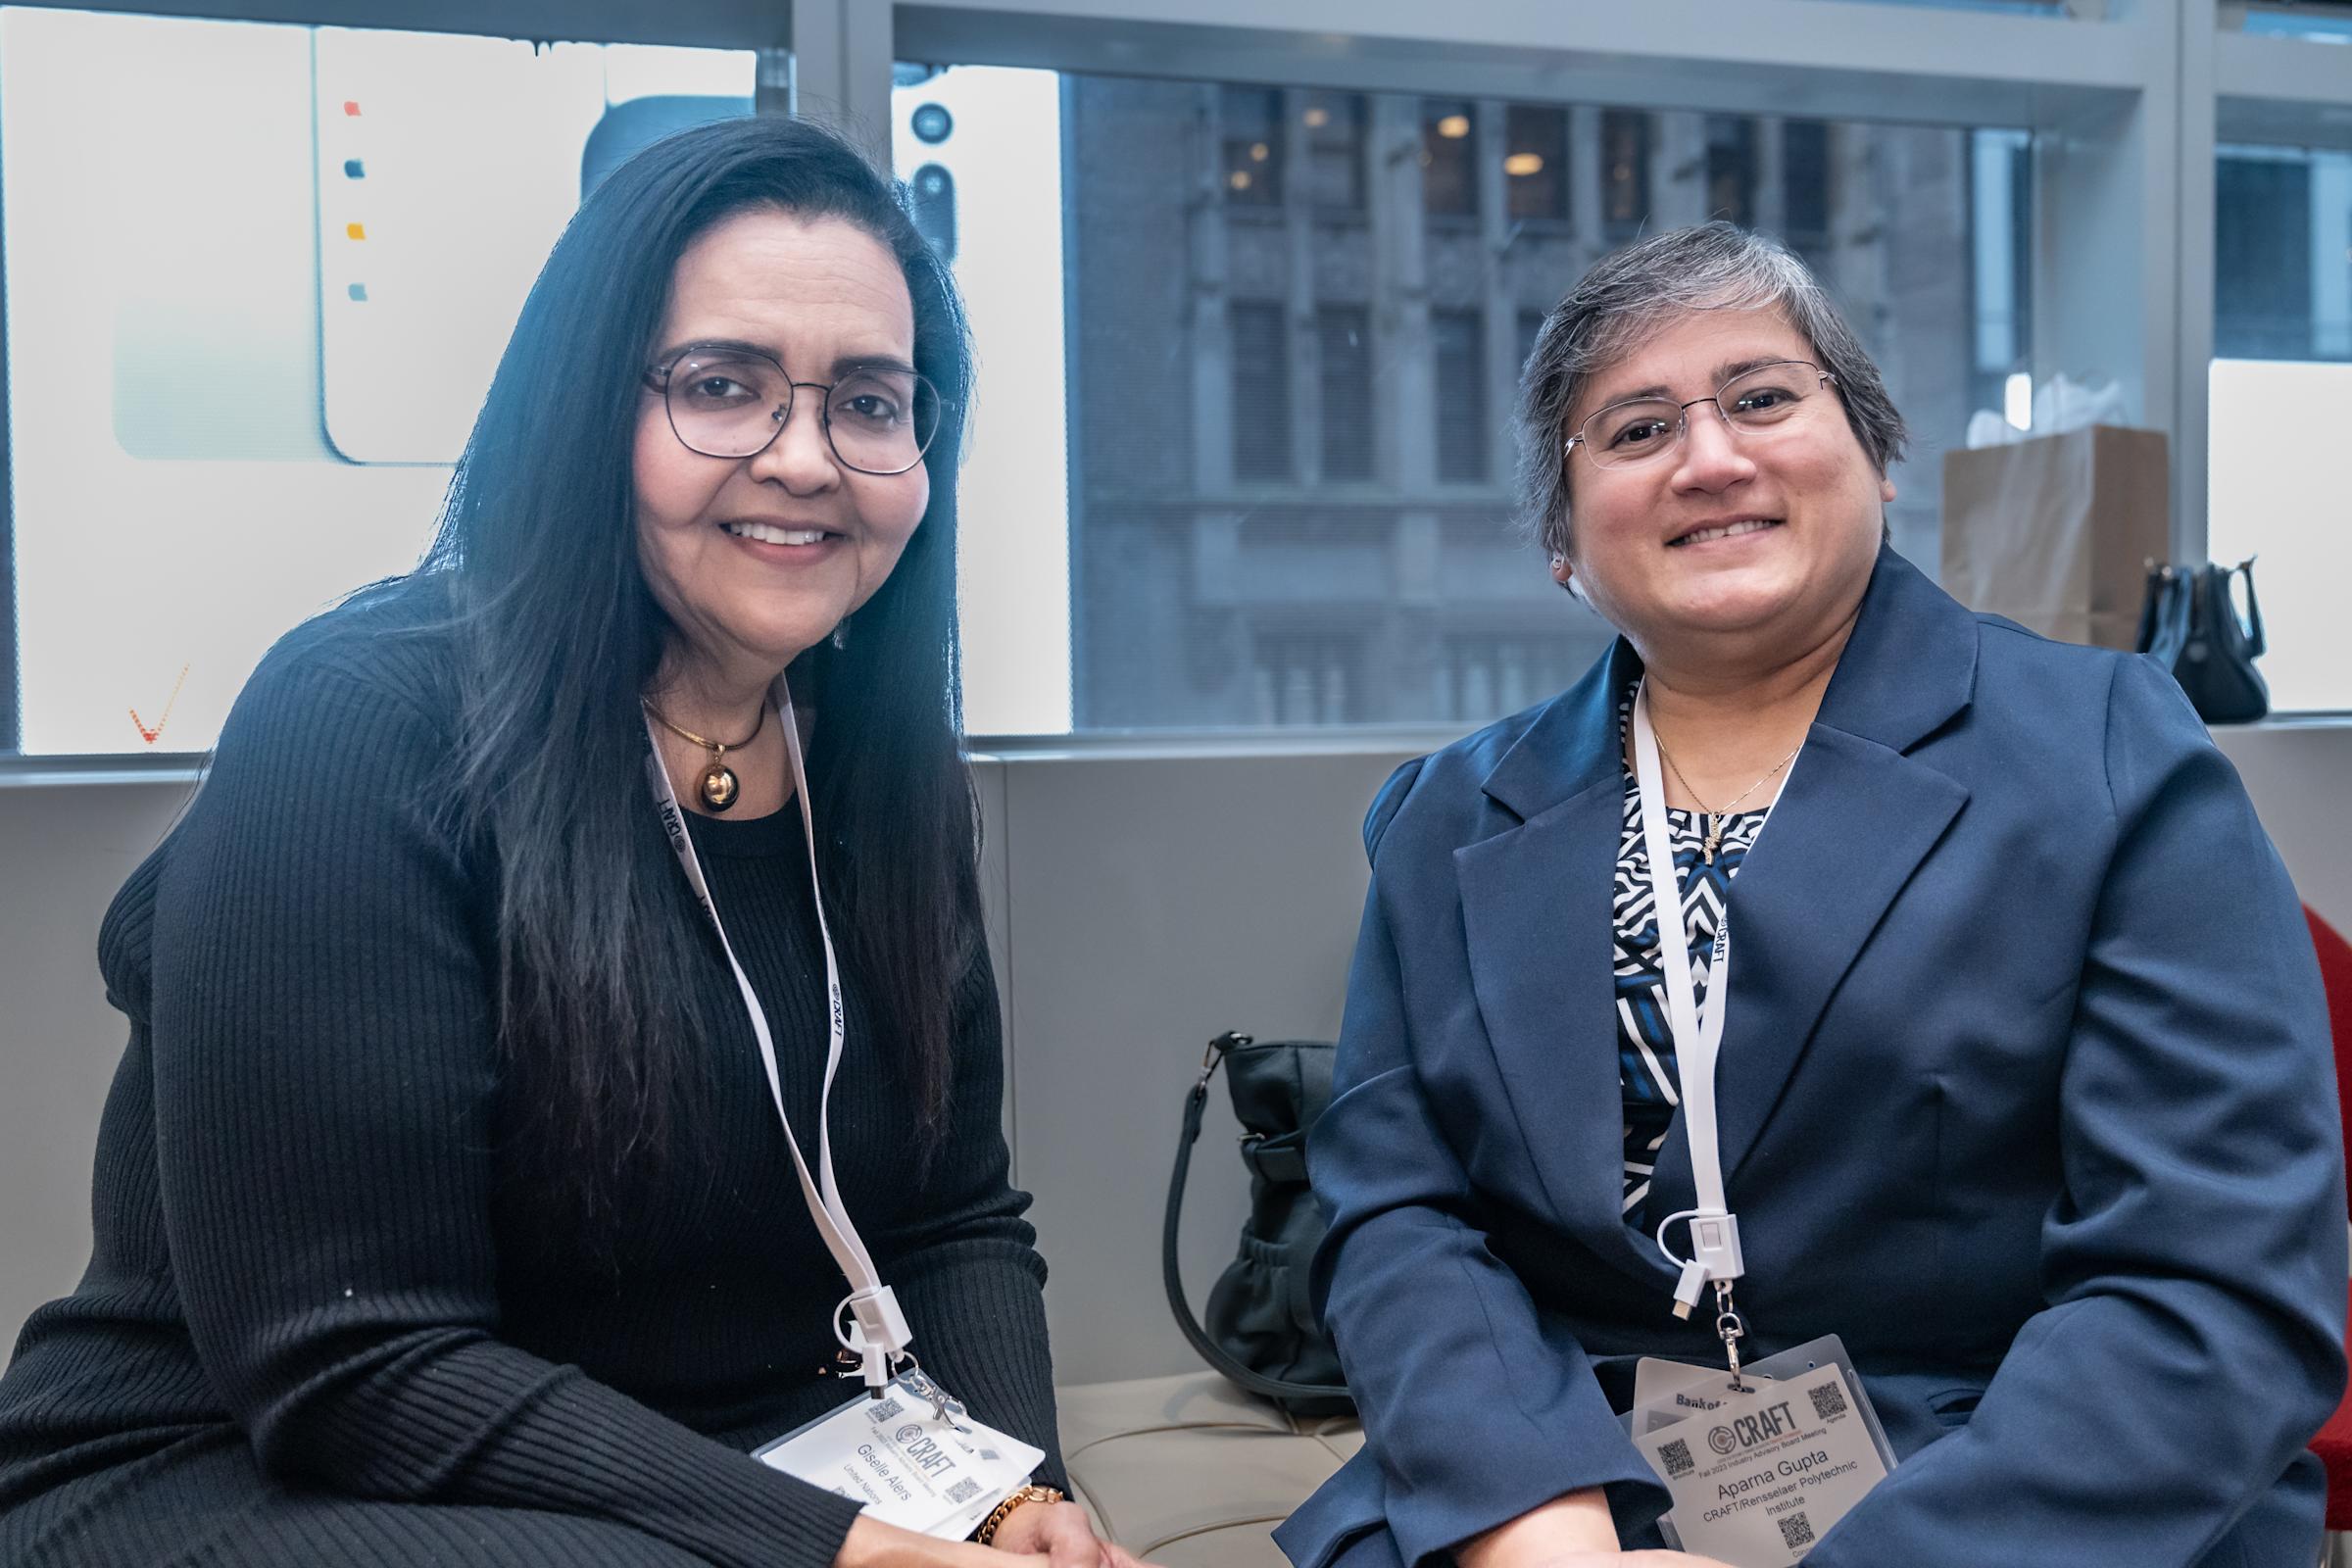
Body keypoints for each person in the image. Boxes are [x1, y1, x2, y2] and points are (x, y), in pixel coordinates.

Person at [0, 115, 1140, 1568]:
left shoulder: (874, 766)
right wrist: (845, 1551)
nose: (806, 459)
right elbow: (353, 1364)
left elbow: (952, 1220)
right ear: (589, 410)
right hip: (245, 1466)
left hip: (698, 1463)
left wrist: (1017, 1503)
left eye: (869, 402)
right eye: (721, 387)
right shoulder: (359, 720)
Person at [1274, 221, 2347, 1568]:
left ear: (1875, 453)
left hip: (2009, 1496)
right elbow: (1398, 1217)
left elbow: (2213, 1279)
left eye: (1763, 398)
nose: (1710, 458)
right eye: (1636, 429)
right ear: (1563, 539)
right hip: (1571, 1478)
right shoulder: (1443, 817)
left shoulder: (2112, 749)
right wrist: (1529, 1523)